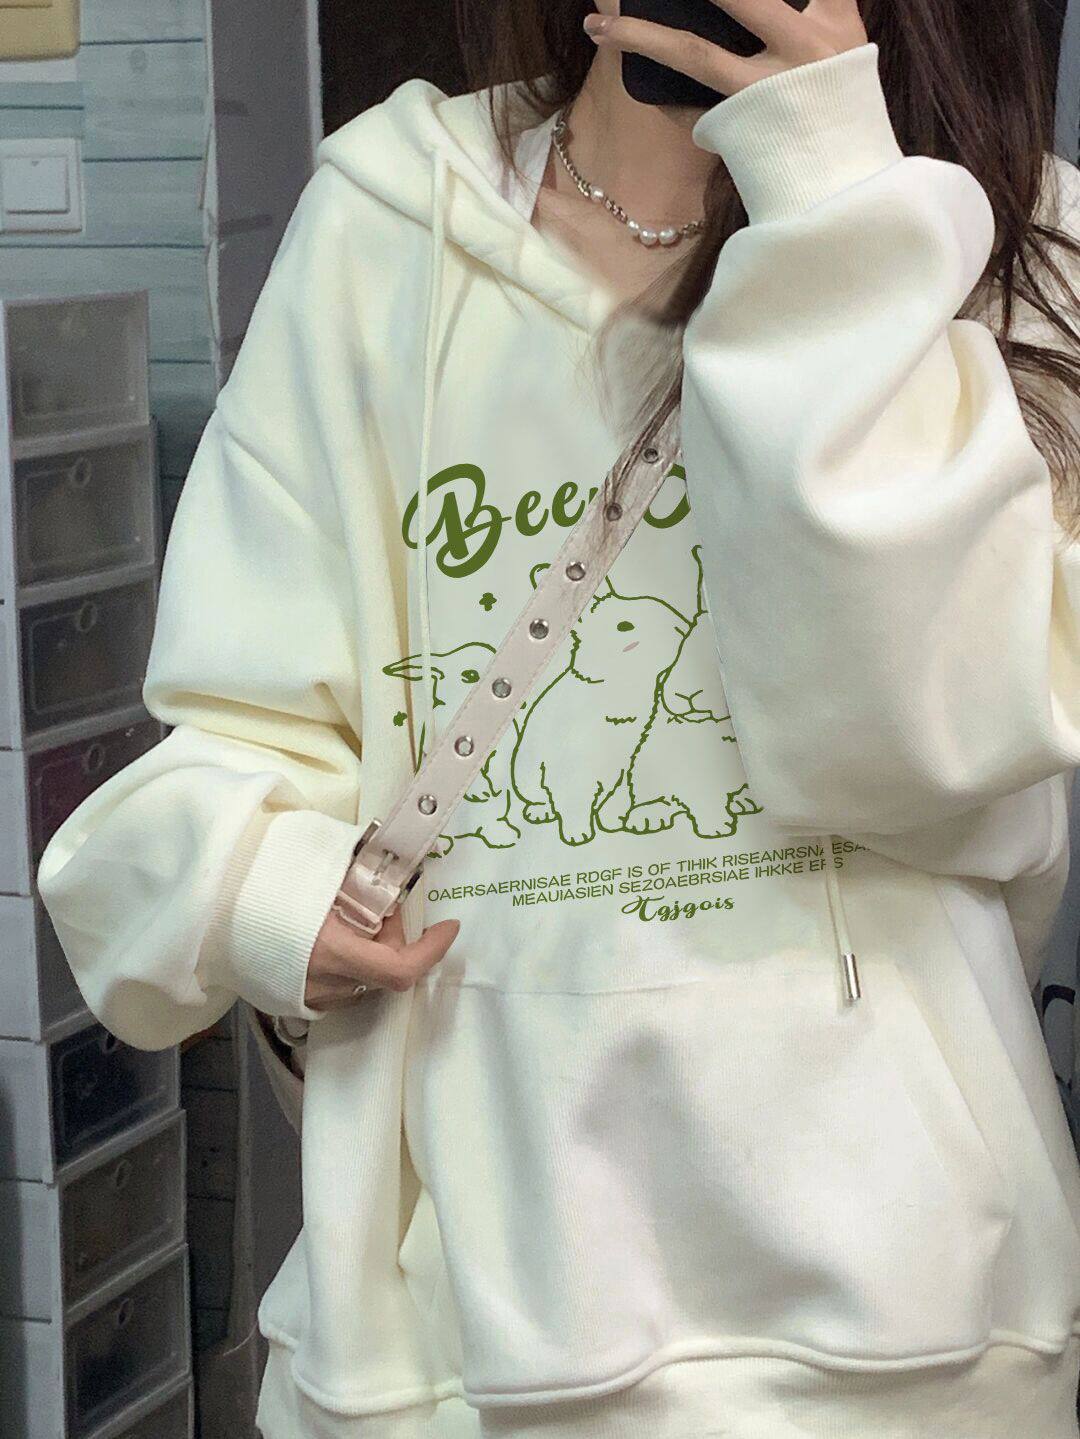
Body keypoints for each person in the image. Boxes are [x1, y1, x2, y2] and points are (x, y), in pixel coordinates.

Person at [36, 0, 1080, 1435]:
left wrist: (837, 206)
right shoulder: (388, 222)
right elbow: (239, 719)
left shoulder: (1011, 237)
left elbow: (920, 742)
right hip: (457, 1340)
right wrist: (266, 883)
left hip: (914, 1328)